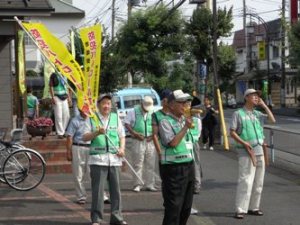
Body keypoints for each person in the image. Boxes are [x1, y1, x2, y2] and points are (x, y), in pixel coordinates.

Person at [230, 88, 276, 219]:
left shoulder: (257, 114)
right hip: (246, 151)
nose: (256, 98)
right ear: (246, 97)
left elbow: (272, 120)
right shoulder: (238, 114)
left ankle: (254, 207)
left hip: (260, 150)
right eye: (253, 96)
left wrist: (264, 105)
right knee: (245, 180)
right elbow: (232, 132)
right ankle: (240, 209)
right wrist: (244, 142)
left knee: (258, 182)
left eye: (257, 96)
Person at [83, 94, 127, 225]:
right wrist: (97, 132)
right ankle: (96, 219)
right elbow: (84, 137)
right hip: (98, 159)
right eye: (104, 103)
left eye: (108, 103)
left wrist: (122, 149)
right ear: (98, 105)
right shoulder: (92, 118)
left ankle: (117, 218)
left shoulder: (115, 117)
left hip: (114, 159)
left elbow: (122, 136)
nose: (107, 106)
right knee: (98, 191)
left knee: (116, 191)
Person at [157, 89, 195, 225]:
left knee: (186, 208)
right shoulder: (165, 121)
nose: (185, 105)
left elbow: (193, 140)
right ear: (171, 105)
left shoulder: (185, 120)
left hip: (189, 165)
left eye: (187, 102)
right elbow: (172, 143)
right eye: (181, 102)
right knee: (174, 208)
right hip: (173, 168)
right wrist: (185, 128)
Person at [124, 96, 157, 192]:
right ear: (142, 104)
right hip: (137, 140)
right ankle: (137, 184)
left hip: (150, 140)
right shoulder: (133, 111)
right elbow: (126, 123)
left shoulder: (153, 112)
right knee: (138, 163)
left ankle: (150, 184)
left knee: (150, 163)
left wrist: (154, 135)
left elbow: (157, 125)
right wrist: (134, 133)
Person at [65, 109, 91, 205]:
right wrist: (68, 151)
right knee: (78, 174)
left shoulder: (92, 119)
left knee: (94, 173)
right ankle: (81, 196)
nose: (85, 110)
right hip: (78, 147)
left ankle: (102, 195)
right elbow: (69, 136)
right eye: (83, 108)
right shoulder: (74, 120)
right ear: (79, 109)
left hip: (91, 148)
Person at [49, 71, 70, 139]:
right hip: (57, 97)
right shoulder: (53, 75)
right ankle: (60, 133)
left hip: (64, 96)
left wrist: (69, 97)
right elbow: (51, 86)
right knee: (58, 116)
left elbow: (66, 86)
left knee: (67, 115)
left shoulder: (65, 74)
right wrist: (52, 97)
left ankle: (63, 130)